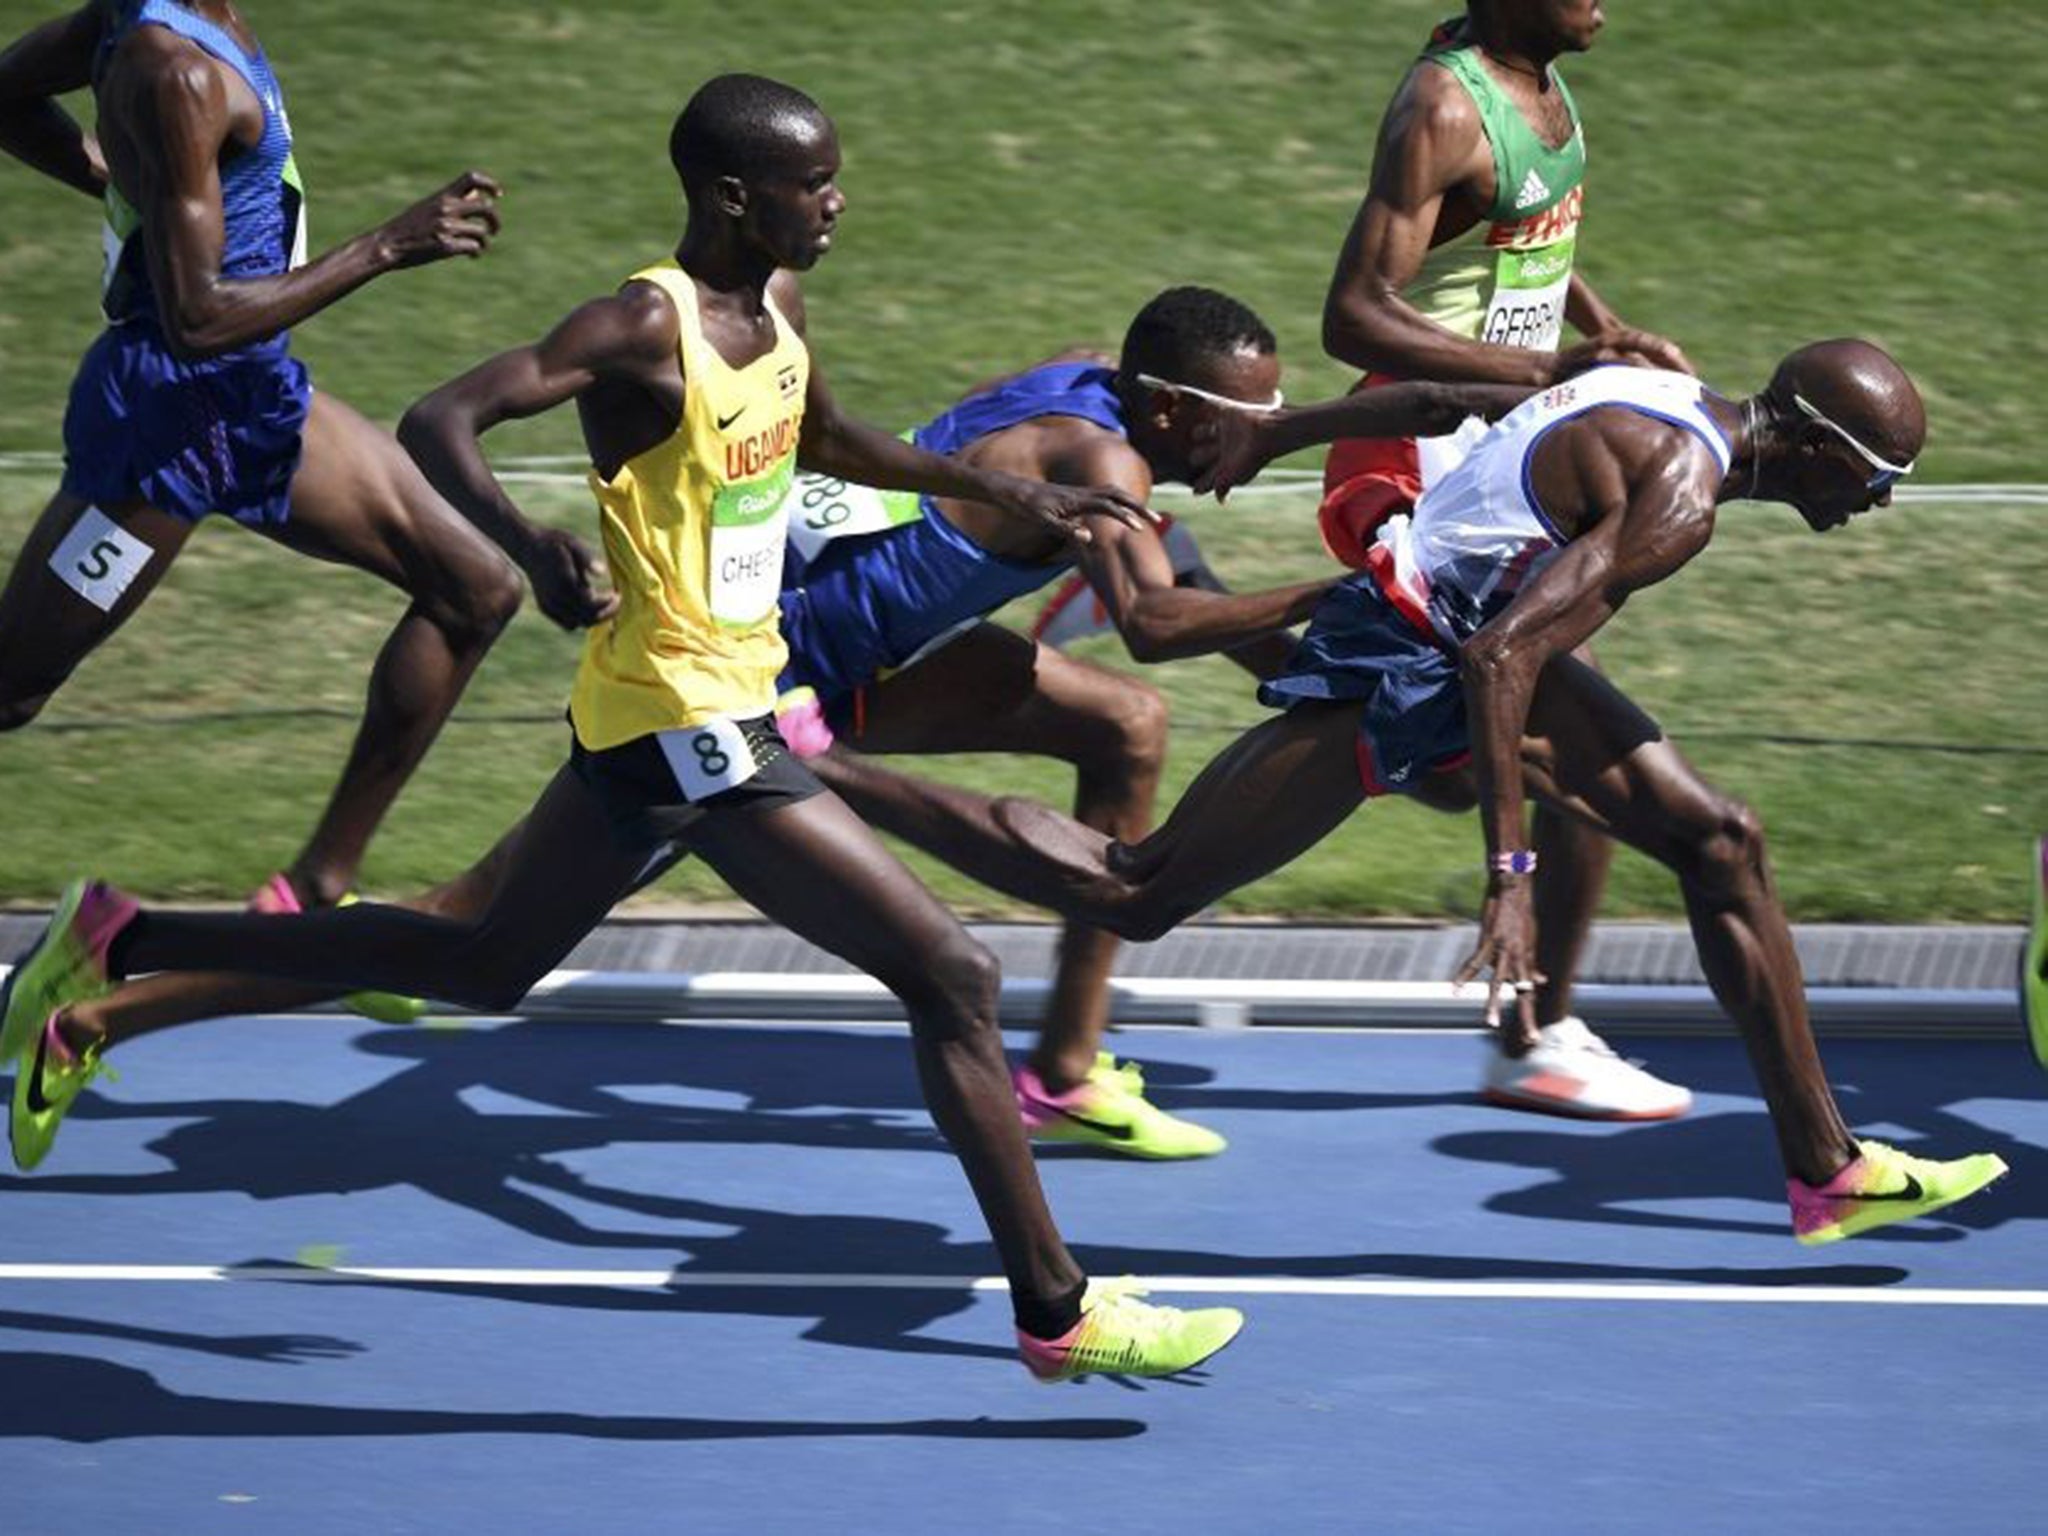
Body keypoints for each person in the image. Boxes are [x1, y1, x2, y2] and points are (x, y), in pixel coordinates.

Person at [0, 74, 1244, 1380]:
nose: (835, 202)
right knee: (954, 976)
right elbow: (441, 418)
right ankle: (1058, 1311)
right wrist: (532, 548)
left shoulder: (775, 302)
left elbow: (826, 438)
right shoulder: (642, 327)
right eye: (811, 183)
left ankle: (118, 939)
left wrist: (992, 491)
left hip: (687, 707)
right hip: (688, 722)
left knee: (479, 965)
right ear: (731, 196)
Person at [808, 343, 2010, 1244]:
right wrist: (1509, 879)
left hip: (1454, 636)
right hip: (1396, 663)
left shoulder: (1660, 391)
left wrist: (1279, 435)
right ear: (1805, 445)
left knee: (1719, 839)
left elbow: (1444, 401)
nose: (1881, 500)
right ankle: (818, 759)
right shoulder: (1680, 497)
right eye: (1874, 473)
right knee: (1138, 889)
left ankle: (1824, 1168)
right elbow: (1499, 660)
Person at [771, 287, 1519, 1160]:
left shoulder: (1088, 370)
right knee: (647, 825)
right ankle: (808, 757)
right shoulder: (1106, 467)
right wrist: (1344, 591)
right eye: (1242, 421)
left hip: (869, 615)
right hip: (805, 659)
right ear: (1166, 407)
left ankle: (1063, 1076)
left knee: (1126, 724)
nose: (1261, 442)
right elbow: (1153, 627)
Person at [0, 2, 524, 959]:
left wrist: (139, 191)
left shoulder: (180, 20)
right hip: (164, 431)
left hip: (252, 401)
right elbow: (197, 318)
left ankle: (313, 896)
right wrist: (387, 246)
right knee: (10, 687)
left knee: (475, 590)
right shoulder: (175, 67)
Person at [1313, 0, 1698, 1119]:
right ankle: (1530, 1031)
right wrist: (1541, 377)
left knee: (1533, 737)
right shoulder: (1443, 102)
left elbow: (1523, 237)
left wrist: (1602, 331)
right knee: (1556, 758)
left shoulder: (1540, 77)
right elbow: (1352, 317)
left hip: (1496, 448)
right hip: (1412, 457)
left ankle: (1533, 1026)